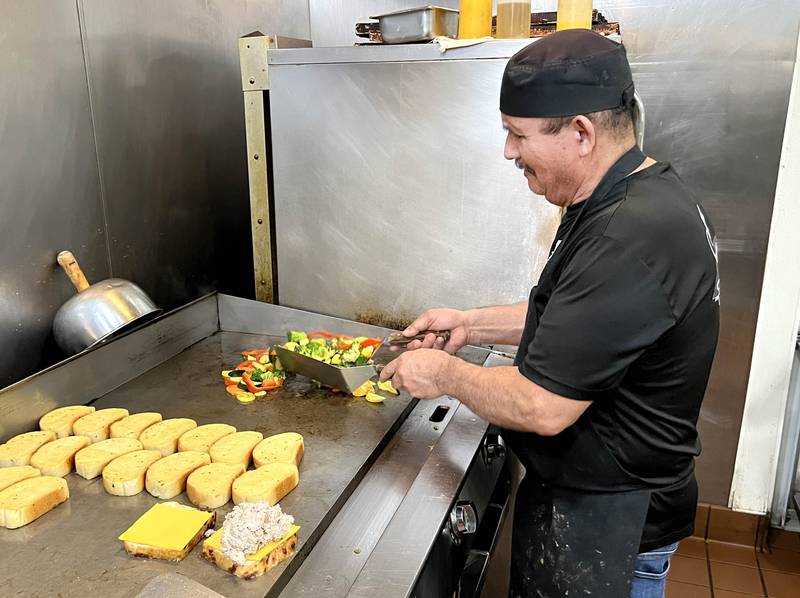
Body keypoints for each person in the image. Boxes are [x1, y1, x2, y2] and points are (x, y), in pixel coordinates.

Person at [380, 29, 720, 598]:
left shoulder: (628, 235)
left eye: (518, 135)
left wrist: (443, 374)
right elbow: (580, 319)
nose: (509, 153)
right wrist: (471, 323)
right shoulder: (626, 195)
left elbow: (543, 407)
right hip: (595, 503)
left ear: (582, 133)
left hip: (614, 523)